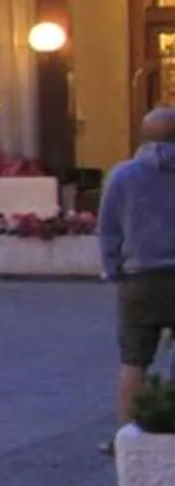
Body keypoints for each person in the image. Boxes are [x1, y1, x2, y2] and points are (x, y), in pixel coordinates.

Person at [96, 107, 175, 427]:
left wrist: (114, 269)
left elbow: (109, 228)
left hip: (140, 277)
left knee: (134, 361)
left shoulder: (123, 175)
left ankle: (128, 437)